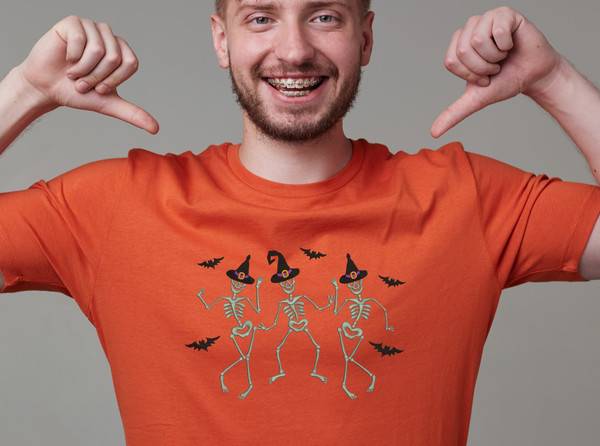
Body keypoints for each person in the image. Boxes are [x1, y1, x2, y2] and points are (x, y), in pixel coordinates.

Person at [1, 1, 599, 444]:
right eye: (261, 17)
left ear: (365, 37)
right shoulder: (116, 206)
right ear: (221, 39)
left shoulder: (463, 198)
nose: (292, 50)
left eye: (324, 16)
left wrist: (553, 79)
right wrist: (25, 89)